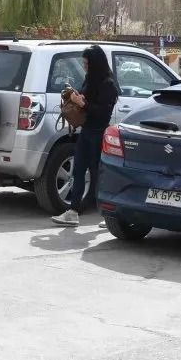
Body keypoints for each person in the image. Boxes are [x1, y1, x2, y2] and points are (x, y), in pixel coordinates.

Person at [52, 46, 118, 226]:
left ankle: (107, 215)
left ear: (96, 64)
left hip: (98, 133)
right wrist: (76, 97)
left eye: (87, 63)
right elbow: (86, 100)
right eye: (84, 63)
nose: (85, 66)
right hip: (86, 131)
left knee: (98, 174)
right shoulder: (90, 79)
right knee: (78, 169)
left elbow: (104, 112)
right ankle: (73, 211)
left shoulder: (108, 85)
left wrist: (84, 103)